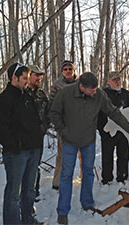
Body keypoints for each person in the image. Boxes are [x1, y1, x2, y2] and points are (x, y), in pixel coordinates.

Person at [50, 72, 129, 225]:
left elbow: (113, 112)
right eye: (91, 90)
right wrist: (63, 131)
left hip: (88, 141)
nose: (94, 92)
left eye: (95, 89)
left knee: (88, 172)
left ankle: (87, 203)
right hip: (69, 141)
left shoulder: (98, 94)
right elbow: (54, 113)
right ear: (81, 87)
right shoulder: (66, 93)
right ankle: (62, 211)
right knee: (66, 175)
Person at [0, 63, 43, 225]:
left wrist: (39, 140)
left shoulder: (28, 97)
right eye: (24, 78)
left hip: (34, 150)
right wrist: (14, 146)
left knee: (29, 190)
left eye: (28, 78)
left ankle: (28, 219)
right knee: (14, 193)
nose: (28, 81)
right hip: (17, 153)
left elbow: (37, 121)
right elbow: (0, 129)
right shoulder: (3, 100)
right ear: (14, 78)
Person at [97, 71, 129, 185]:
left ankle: (122, 178)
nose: (117, 82)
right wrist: (101, 129)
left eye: (118, 79)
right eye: (114, 80)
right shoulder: (102, 94)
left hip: (124, 132)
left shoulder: (127, 95)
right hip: (107, 131)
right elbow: (97, 113)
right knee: (107, 156)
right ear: (108, 81)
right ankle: (107, 179)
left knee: (124, 155)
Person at [49, 60, 79, 190]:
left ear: (74, 70)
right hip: (64, 125)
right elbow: (51, 103)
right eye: (65, 69)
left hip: (80, 124)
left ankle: (84, 179)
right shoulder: (57, 85)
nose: (68, 71)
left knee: (83, 154)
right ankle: (57, 182)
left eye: (70, 69)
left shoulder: (81, 83)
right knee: (62, 153)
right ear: (62, 71)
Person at [27, 65, 49, 200]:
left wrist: (45, 126)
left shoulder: (41, 94)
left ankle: (35, 191)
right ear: (29, 75)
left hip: (38, 137)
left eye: (40, 76)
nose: (39, 78)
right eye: (36, 75)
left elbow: (48, 112)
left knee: (36, 165)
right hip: (24, 137)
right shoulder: (23, 93)